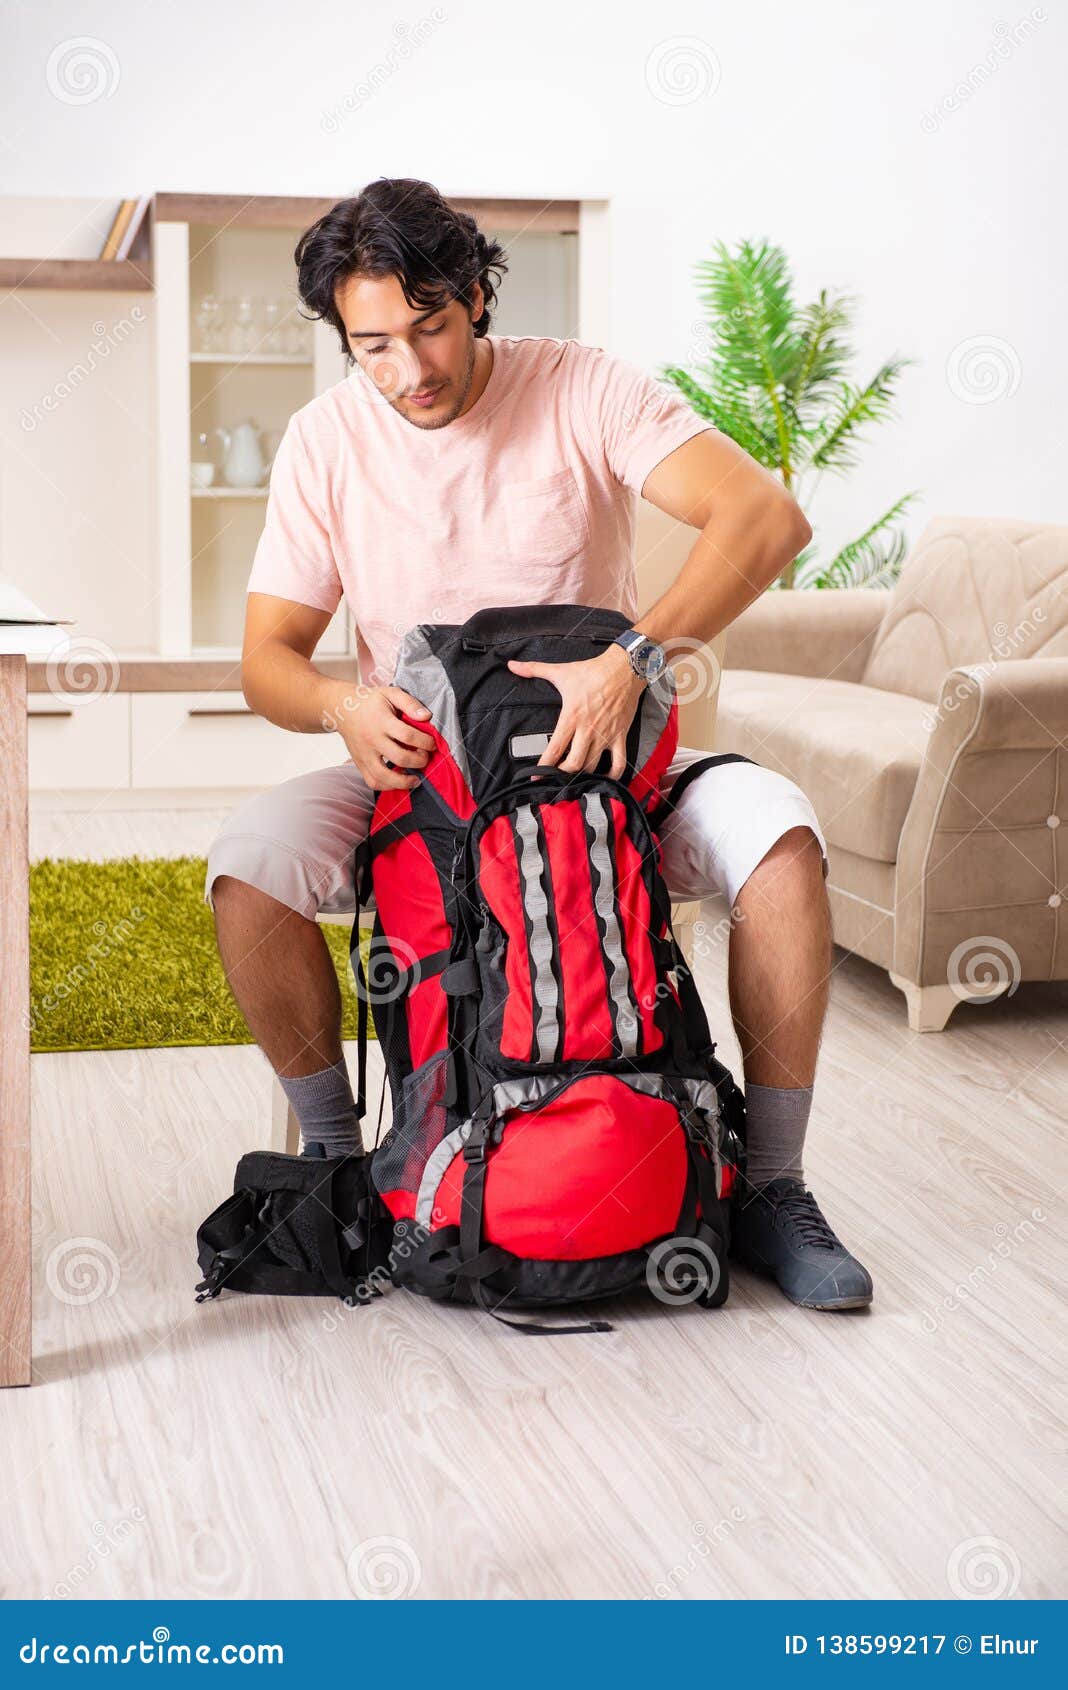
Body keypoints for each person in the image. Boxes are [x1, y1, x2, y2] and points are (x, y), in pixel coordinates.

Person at [205, 177, 873, 1311]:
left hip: (612, 783)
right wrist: (343, 710)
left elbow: (767, 518)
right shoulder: (327, 441)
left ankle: (771, 1185)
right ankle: (346, 1167)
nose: (410, 370)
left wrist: (638, 658)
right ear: (343, 340)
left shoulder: (584, 387)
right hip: (425, 783)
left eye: (431, 327)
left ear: (475, 297)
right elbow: (267, 655)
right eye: (373, 345)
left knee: (784, 843)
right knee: (247, 868)